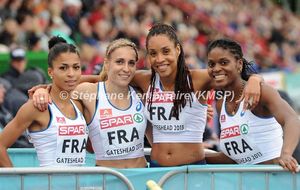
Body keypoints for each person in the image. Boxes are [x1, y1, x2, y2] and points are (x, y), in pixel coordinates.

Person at [32, 23, 263, 167]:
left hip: (193, 169)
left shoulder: (199, 78)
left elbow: (231, 74)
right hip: (156, 169)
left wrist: (254, 78)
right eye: (153, 53)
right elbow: (100, 79)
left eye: (165, 51)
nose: (159, 59)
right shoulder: (144, 79)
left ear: (178, 50)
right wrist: (47, 87)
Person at [33, 38, 148, 168]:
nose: (126, 68)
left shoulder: (141, 92)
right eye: (119, 62)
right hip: (107, 179)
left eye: (131, 63)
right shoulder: (88, 92)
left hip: (140, 175)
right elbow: (61, 86)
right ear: (107, 63)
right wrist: (43, 90)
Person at [204, 38, 300, 172]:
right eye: (211, 64)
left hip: (274, 180)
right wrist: (196, 153)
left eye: (224, 62)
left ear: (239, 64)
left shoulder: (261, 92)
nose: (216, 69)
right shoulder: (221, 104)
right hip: (246, 183)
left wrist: (286, 154)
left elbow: (292, 119)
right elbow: (234, 158)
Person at [0, 36, 88, 167]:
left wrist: (46, 87)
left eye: (76, 67)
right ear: (50, 72)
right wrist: (16, 181)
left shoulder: (79, 102)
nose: (71, 73)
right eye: (63, 68)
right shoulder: (36, 106)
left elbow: (103, 79)